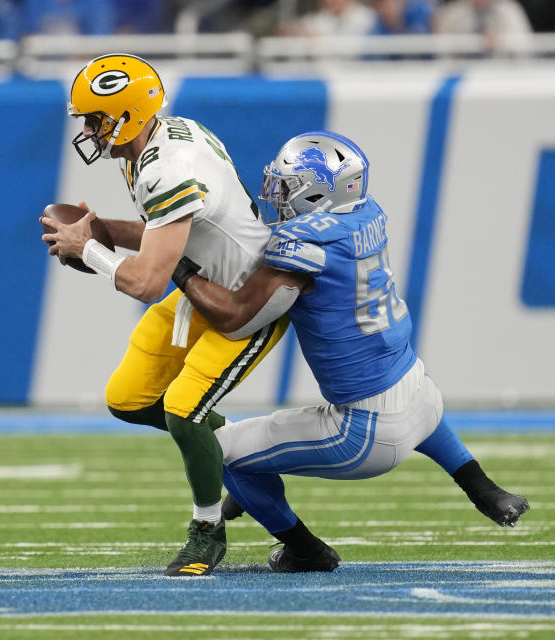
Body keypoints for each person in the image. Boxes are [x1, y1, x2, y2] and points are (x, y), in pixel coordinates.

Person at [174, 131, 530, 571]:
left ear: (319, 191)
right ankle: (483, 488)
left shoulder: (302, 243)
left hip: (364, 431)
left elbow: (236, 317)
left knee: (219, 451)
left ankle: (305, 550)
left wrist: (180, 268)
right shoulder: (367, 211)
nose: (278, 195)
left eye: (288, 186)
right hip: (420, 392)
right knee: (413, 396)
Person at [40, 54, 289, 577]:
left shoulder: (166, 167)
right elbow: (166, 234)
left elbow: (148, 281)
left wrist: (89, 249)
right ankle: (243, 452)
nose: (87, 130)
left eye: (94, 119)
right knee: (129, 399)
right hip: (201, 284)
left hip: (243, 300)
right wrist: (101, 227)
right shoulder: (156, 143)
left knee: (182, 410)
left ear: (129, 115)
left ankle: (207, 530)